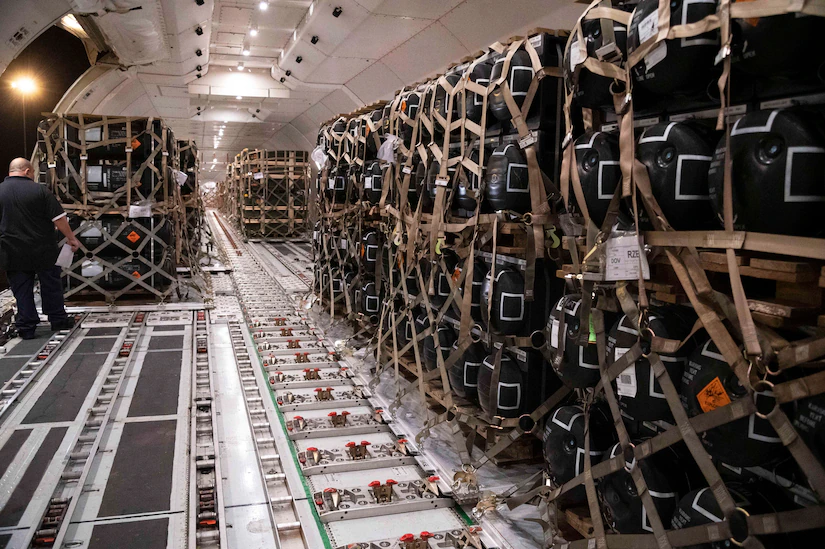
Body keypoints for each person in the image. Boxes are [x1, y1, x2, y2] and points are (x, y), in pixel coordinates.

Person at [0, 158, 81, 339]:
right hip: (42, 248)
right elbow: (59, 218)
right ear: (28, 171)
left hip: (12, 250)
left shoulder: (0, 191)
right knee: (50, 284)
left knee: (22, 289)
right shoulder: (39, 190)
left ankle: (27, 327)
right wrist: (71, 238)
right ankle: (58, 319)